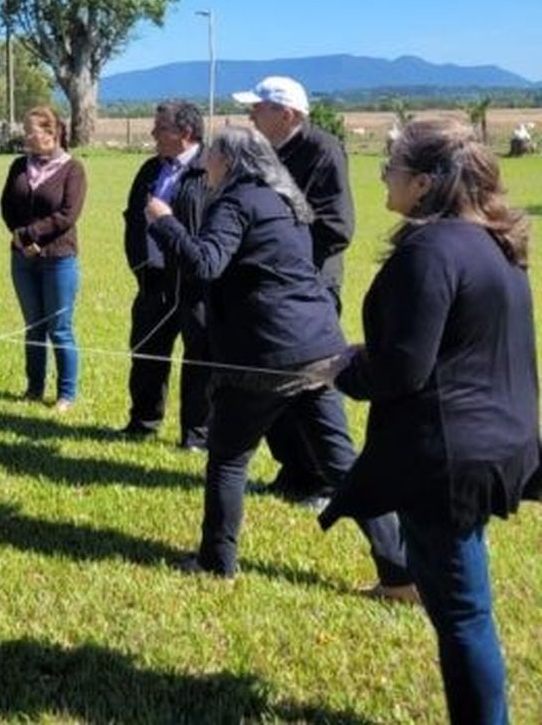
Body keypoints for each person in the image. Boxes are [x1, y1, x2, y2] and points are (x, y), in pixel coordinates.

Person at [321, 119, 540, 725]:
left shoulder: (429, 249)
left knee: (465, 616)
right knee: (464, 604)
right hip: (497, 439)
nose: (382, 177)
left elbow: (404, 369)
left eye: (390, 168)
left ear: (422, 183)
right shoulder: (494, 241)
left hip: (450, 455)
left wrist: (347, 367)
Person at [145, 124, 412, 593]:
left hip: (266, 355)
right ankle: (400, 572)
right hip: (317, 346)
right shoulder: (286, 201)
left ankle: (215, 561)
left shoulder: (237, 201)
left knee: (228, 460)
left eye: (211, 156)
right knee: (344, 464)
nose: (204, 164)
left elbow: (206, 262)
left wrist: (164, 222)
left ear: (230, 161)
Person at [235, 75, 345, 506]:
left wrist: (281, 252)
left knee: (309, 389)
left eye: (258, 108)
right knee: (268, 380)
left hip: (308, 289)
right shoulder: (265, 152)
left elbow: (338, 227)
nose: (250, 115)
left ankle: (323, 480)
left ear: (287, 114)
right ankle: (295, 469)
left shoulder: (323, 151)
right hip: (269, 289)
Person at [120, 102, 211, 448]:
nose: (153, 134)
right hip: (153, 281)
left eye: (161, 129)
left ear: (184, 133)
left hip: (195, 282)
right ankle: (143, 422)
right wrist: (140, 264)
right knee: (146, 351)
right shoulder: (149, 169)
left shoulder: (209, 170)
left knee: (200, 357)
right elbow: (133, 218)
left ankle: (196, 435)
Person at [2, 106, 85, 411]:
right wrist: (20, 238)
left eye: (30, 130)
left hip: (58, 258)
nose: (25, 136)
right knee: (33, 326)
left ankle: (66, 394)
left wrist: (32, 236)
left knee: (59, 327)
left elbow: (67, 214)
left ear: (51, 133)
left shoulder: (73, 169)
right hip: (22, 259)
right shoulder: (18, 166)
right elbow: (7, 206)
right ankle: (34, 388)